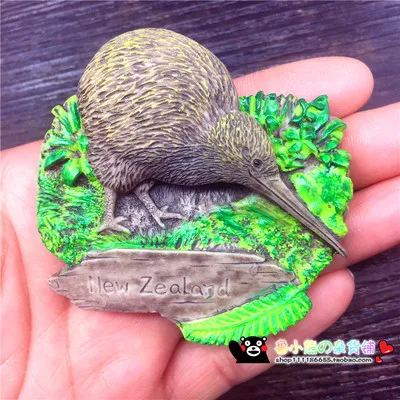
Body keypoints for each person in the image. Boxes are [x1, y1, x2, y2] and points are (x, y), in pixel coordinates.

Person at [1, 57, 399, 399]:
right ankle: (115, 210)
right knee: (128, 167)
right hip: (122, 109)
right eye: (259, 167)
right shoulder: (158, 140)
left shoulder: (201, 143)